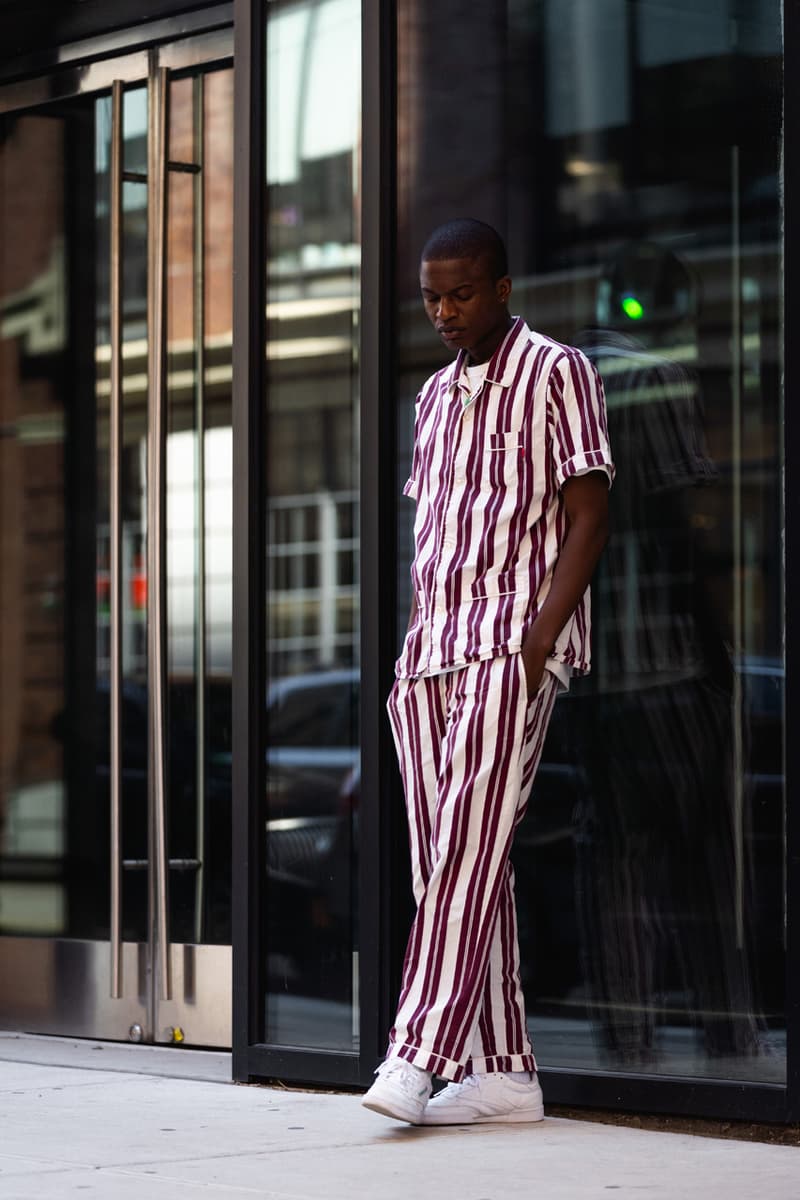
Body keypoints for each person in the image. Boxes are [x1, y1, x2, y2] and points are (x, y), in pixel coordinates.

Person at [361, 218, 614, 1125]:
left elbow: (590, 512)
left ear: (503, 288)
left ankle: (417, 1054)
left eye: (462, 292)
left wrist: (544, 638)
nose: (445, 310)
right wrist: (409, 651)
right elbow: (437, 533)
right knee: (455, 864)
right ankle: (505, 1072)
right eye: (432, 295)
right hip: (430, 653)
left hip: (514, 641)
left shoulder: (558, 371)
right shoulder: (431, 397)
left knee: (467, 842)